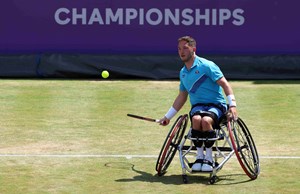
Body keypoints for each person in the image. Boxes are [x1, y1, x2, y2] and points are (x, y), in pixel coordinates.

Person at [159, 36, 238, 172]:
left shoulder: (207, 66)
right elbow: (182, 97)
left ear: (193, 49)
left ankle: (209, 158)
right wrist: (168, 117)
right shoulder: (183, 73)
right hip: (198, 107)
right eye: (179, 49)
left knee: (206, 121)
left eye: (185, 48)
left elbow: (225, 84)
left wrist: (232, 105)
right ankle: (199, 157)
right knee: (196, 119)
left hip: (216, 105)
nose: (181, 52)